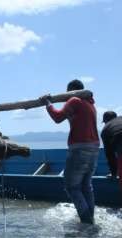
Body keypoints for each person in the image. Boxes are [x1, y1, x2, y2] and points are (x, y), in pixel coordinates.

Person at [40, 80, 99, 224]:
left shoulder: (74, 100)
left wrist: (47, 103)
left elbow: (57, 117)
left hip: (80, 148)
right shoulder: (90, 104)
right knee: (86, 186)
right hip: (94, 148)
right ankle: (90, 218)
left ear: (71, 91)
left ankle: (86, 221)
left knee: (72, 187)